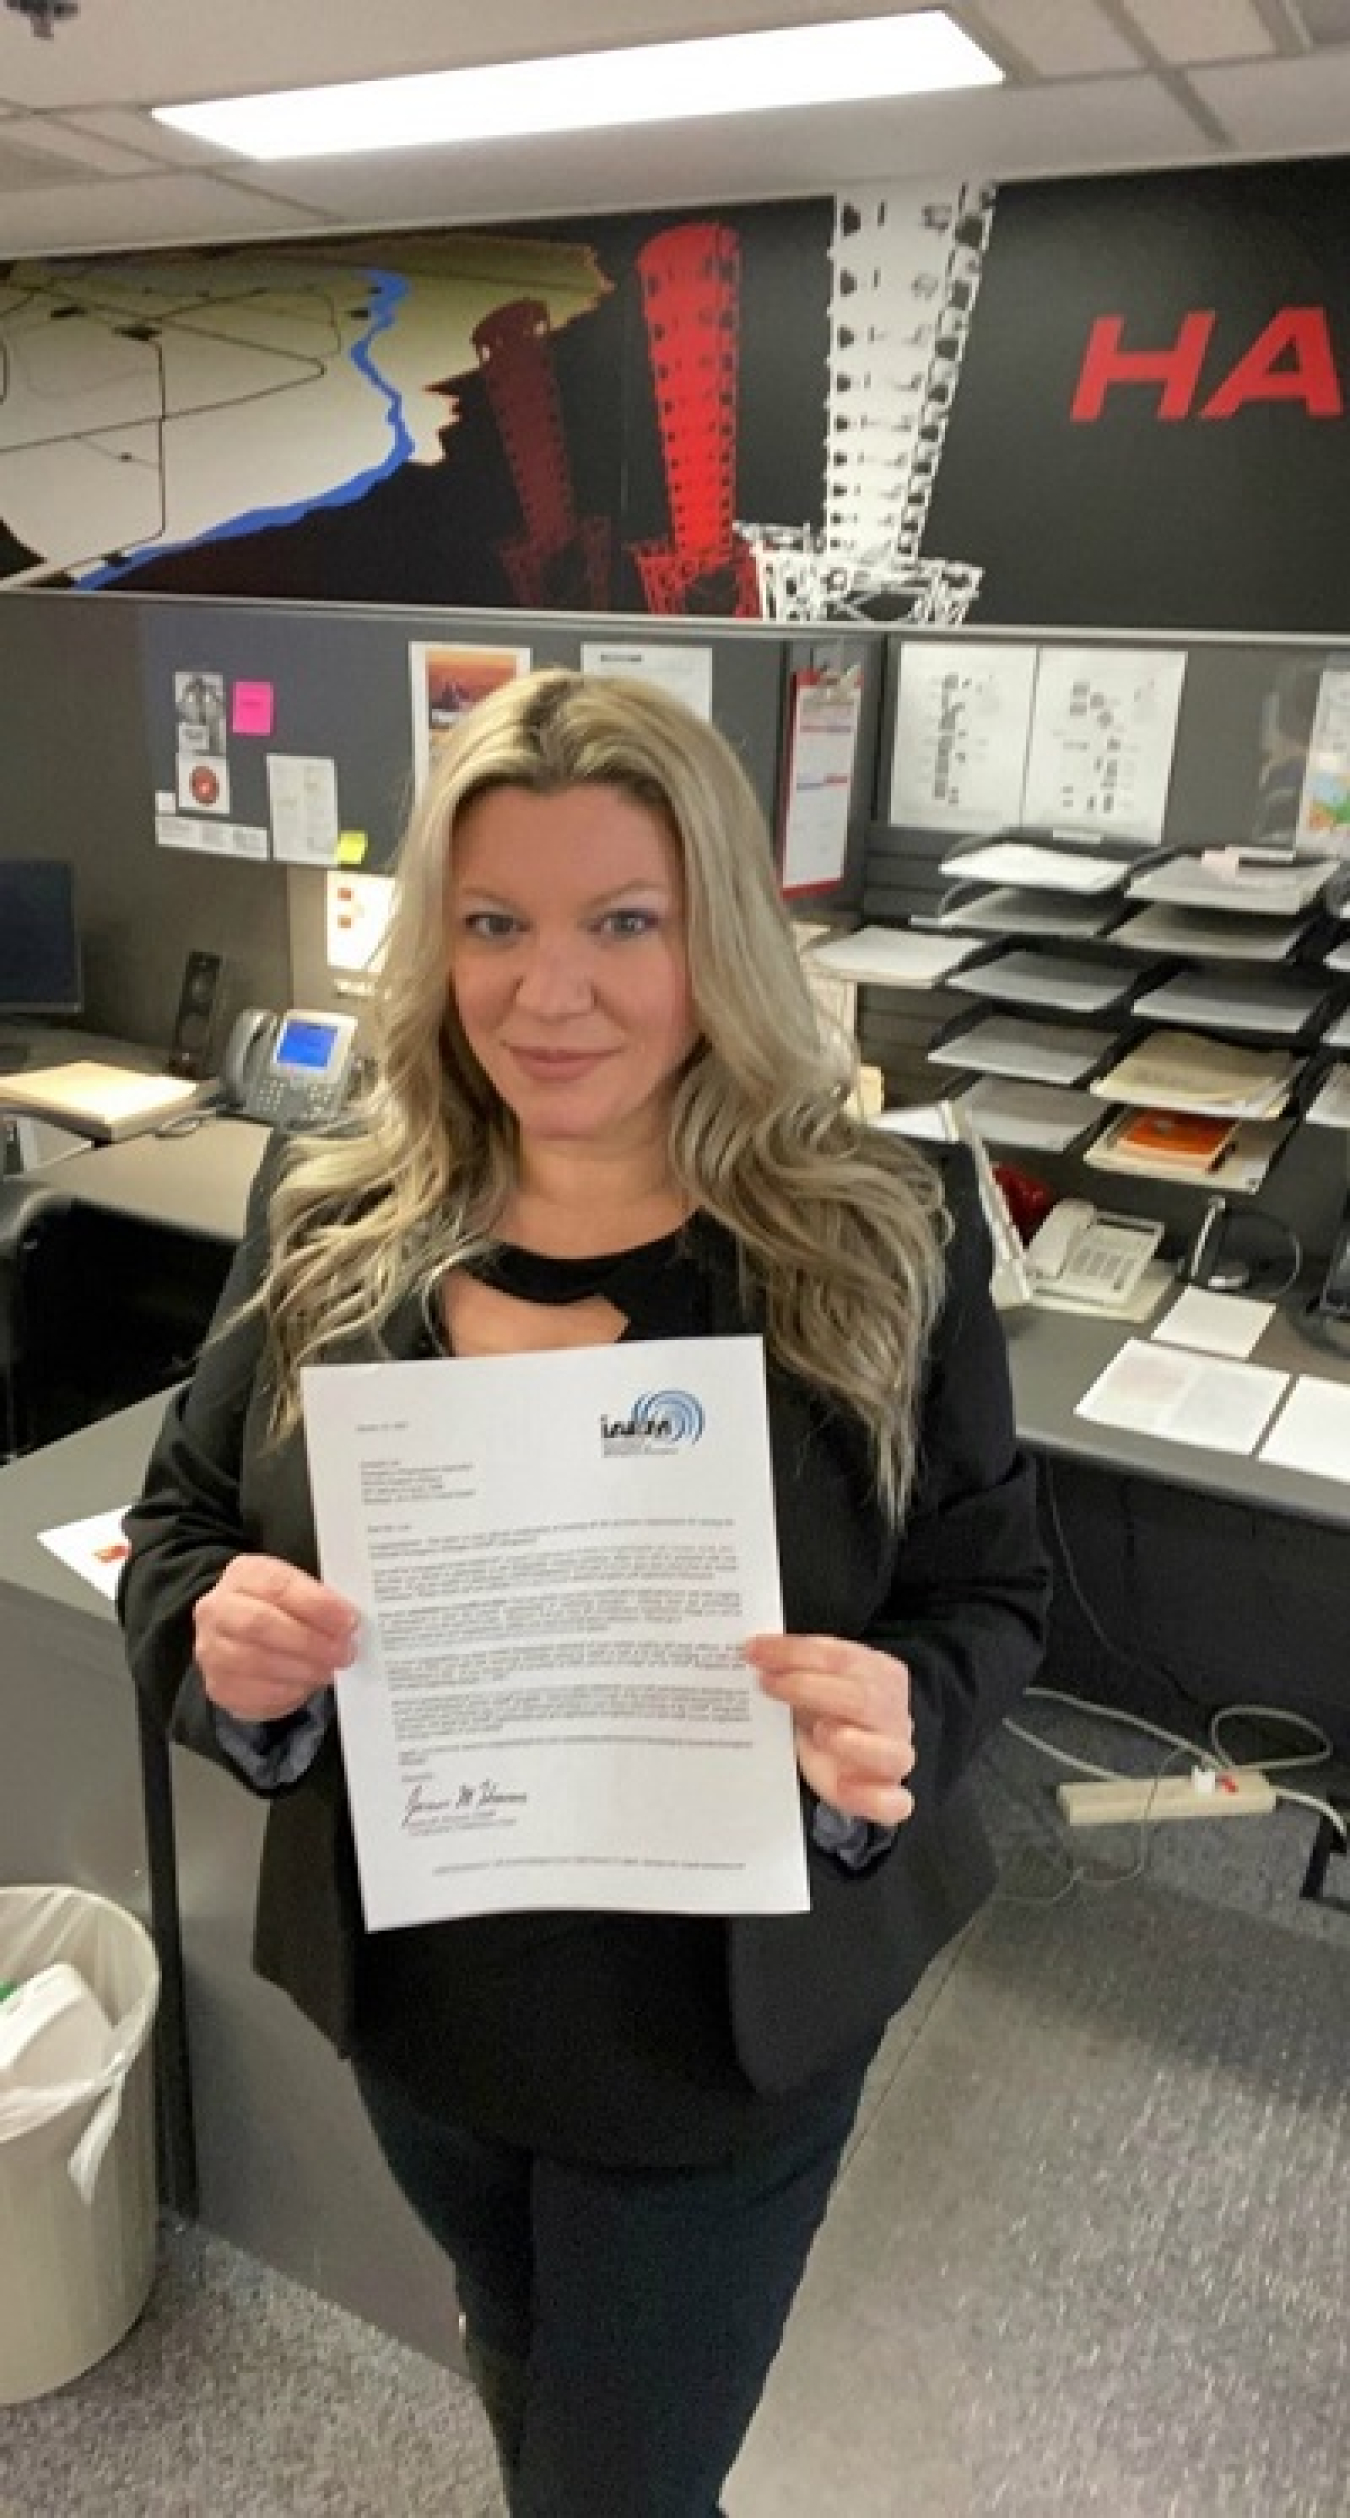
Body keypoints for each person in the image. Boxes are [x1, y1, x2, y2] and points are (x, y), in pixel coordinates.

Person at [118, 667, 1049, 2518]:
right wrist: (232, 1658)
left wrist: (906, 1711)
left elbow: (988, 1578)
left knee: (619, 2485)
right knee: (513, 2340)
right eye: (494, 925)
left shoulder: (880, 1230)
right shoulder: (328, 1214)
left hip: (719, 2048)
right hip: (427, 2013)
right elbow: (179, 1535)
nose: (551, 992)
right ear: (435, 948)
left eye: (624, 921)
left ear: (714, 934)